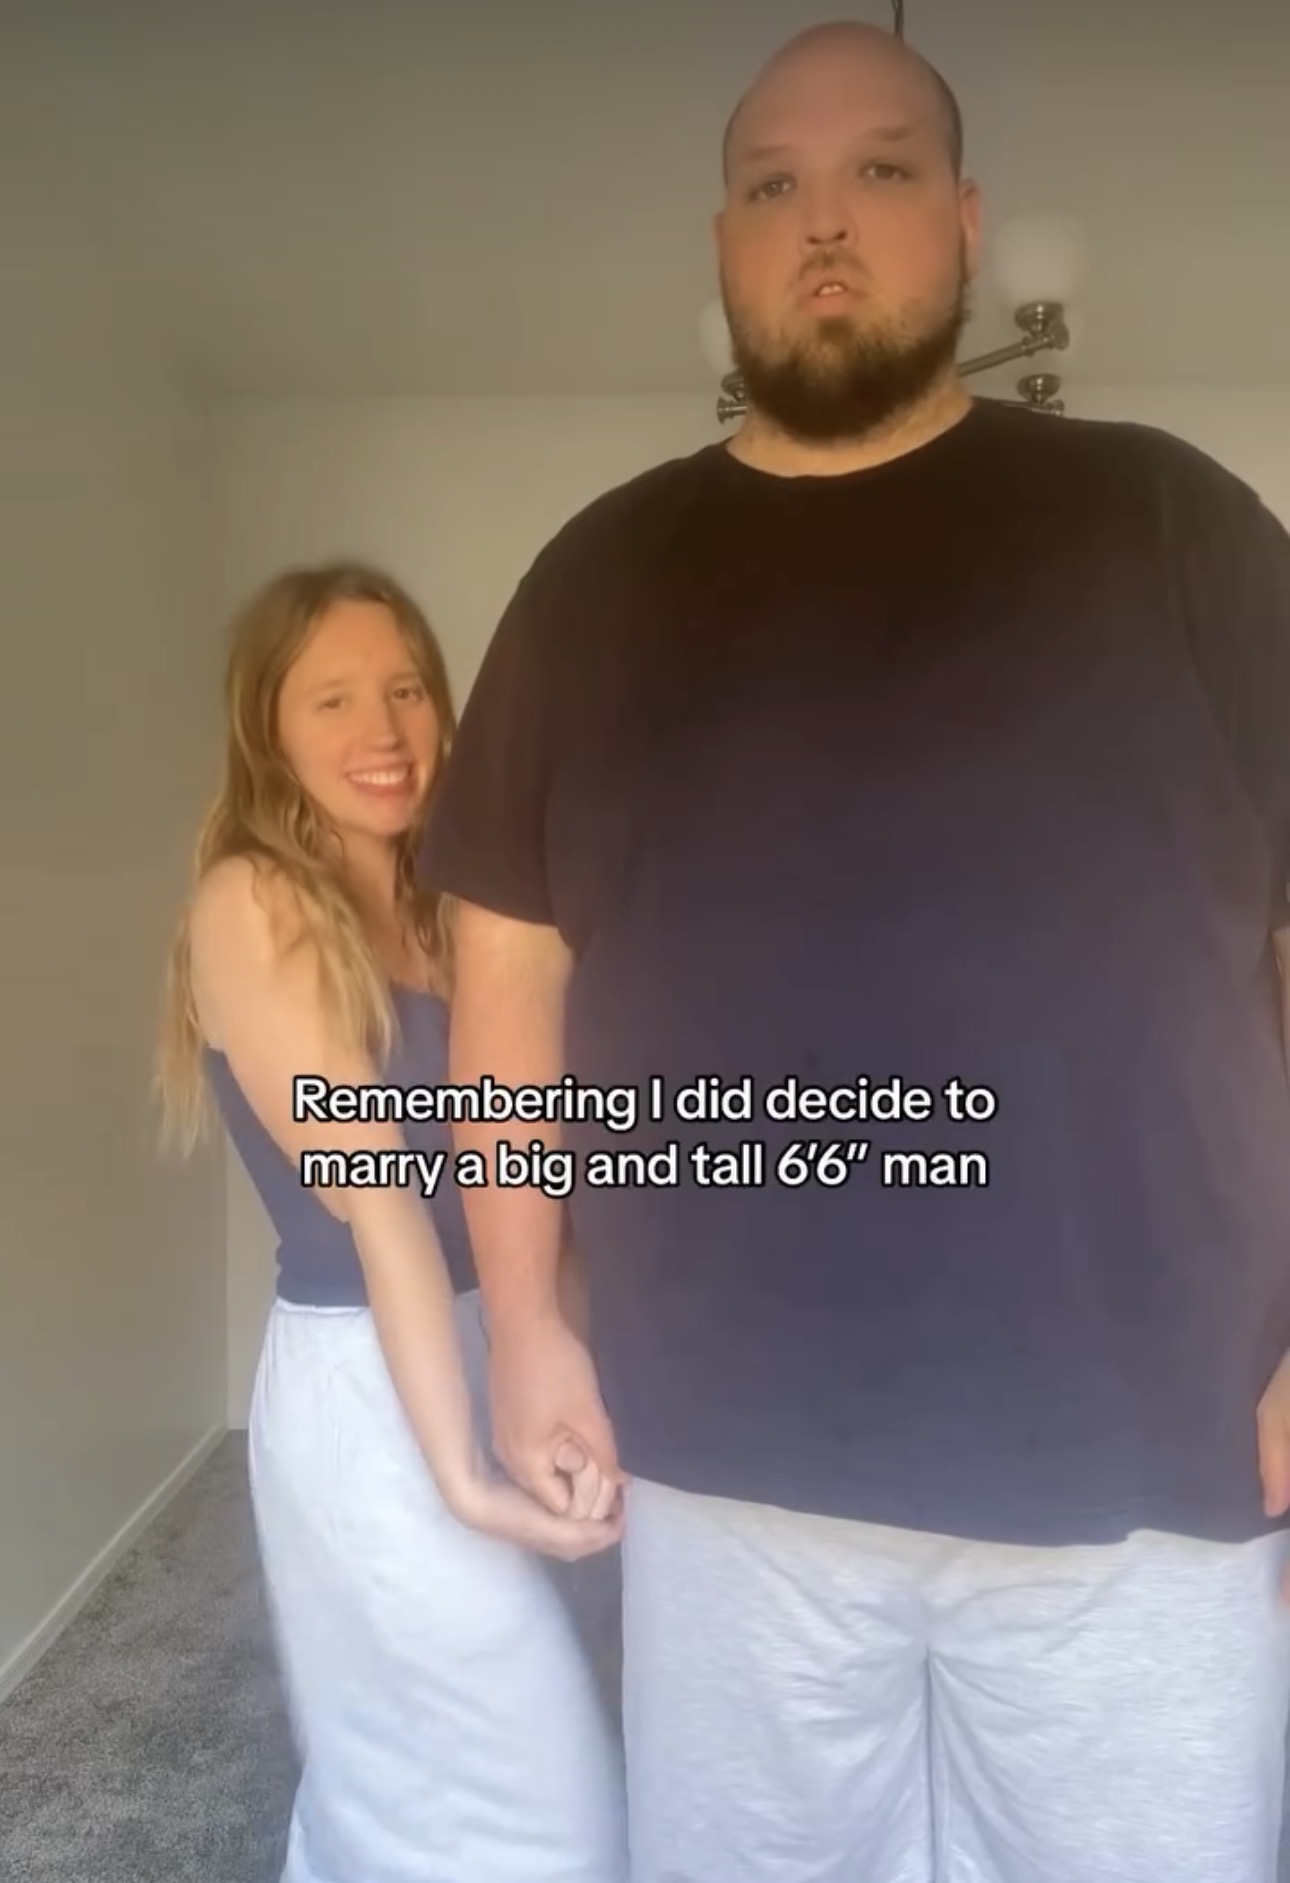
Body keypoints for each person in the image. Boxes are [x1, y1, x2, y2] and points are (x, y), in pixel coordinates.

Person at [419, 18, 1290, 1883]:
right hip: (726, 1453)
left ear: (964, 222)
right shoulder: (596, 576)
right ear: (722, 244)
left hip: (1141, 1452)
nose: (824, 221)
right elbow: (506, 978)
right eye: (773, 185)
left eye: (880, 170)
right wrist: (527, 1323)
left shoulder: (1175, 525)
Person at [154, 561, 627, 1883]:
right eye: (333, 700)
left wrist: (566, 1360)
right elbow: (386, 1215)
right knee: (537, 1801)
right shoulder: (251, 902)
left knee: (476, 1759)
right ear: (268, 728)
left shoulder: (456, 906)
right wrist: (461, 1476)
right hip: (372, 1385)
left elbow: (540, 1165)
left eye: (407, 689)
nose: (383, 730)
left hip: (497, 1340)